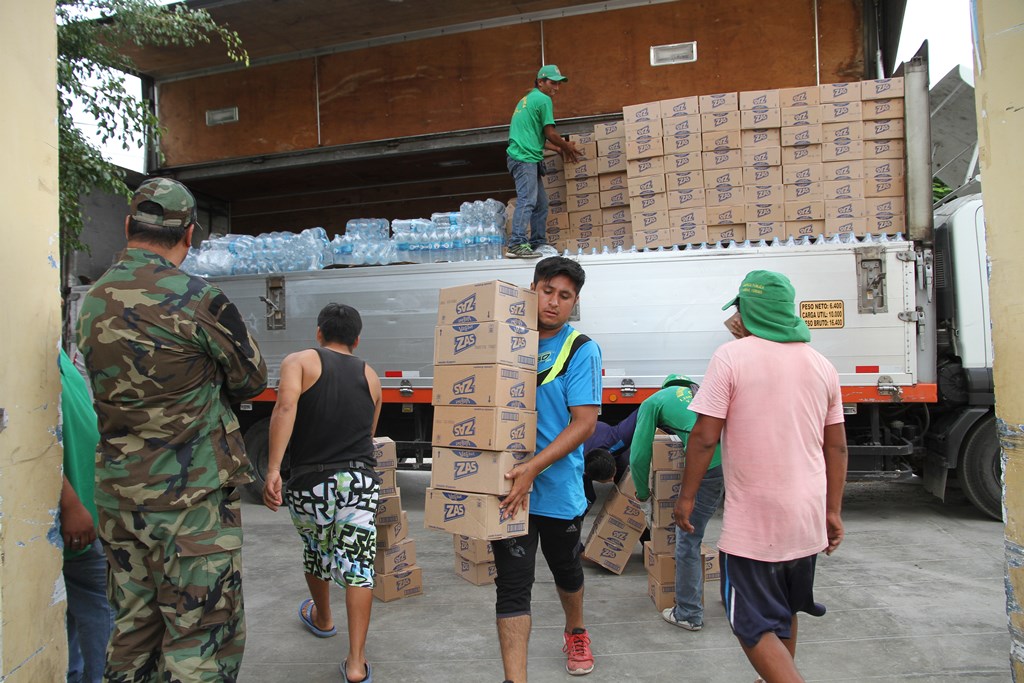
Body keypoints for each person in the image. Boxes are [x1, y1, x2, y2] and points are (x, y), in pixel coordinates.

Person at [75, 177, 268, 682]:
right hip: (191, 503)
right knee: (199, 638)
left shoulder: (91, 303)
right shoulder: (199, 299)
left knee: (132, 631)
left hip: (119, 501)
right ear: (190, 233)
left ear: (126, 226)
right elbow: (251, 379)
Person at [673, 270, 848, 683]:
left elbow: (703, 438)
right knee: (784, 611)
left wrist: (686, 499)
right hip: (806, 516)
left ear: (747, 309)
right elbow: (837, 447)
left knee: (750, 625)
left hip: (756, 522)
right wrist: (833, 511)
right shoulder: (822, 365)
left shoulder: (730, 358)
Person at [495, 256, 603, 681]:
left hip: (557, 490)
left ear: (574, 302)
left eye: (565, 296)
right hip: (507, 490)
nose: (554, 302)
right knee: (513, 586)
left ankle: (575, 630)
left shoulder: (580, 349)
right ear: (533, 288)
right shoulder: (506, 342)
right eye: (547, 290)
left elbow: (585, 423)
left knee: (567, 570)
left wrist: (533, 469)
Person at [262, 303, 382, 683]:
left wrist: (272, 469)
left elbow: (285, 408)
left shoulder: (300, 361)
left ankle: (324, 617)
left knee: (317, 549)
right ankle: (356, 663)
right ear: (357, 339)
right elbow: (369, 434)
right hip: (360, 482)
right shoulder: (371, 376)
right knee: (359, 565)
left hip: (310, 482)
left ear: (319, 333)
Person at [628, 374, 724, 632]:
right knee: (734, 532)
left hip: (709, 466)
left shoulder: (654, 401)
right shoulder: (701, 392)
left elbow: (638, 455)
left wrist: (643, 495)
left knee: (687, 537)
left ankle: (689, 613)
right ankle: (734, 599)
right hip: (734, 459)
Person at [59, 348, 114, 683]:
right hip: (71, 516)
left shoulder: (58, 353)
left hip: (90, 507)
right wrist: (70, 505)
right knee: (101, 607)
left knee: (75, 610)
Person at [505, 65, 581, 259]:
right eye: (553, 83)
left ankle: (537, 243)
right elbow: (550, 133)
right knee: (528, 200)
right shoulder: (543, 99)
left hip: (524, 156)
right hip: (524, 158)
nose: (556, 88)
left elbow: (534, 136)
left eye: (558, 84)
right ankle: (516, 244)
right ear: (540, 82)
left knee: (541, 204)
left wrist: (556, 148)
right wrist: (566, 146)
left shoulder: (528, 99)